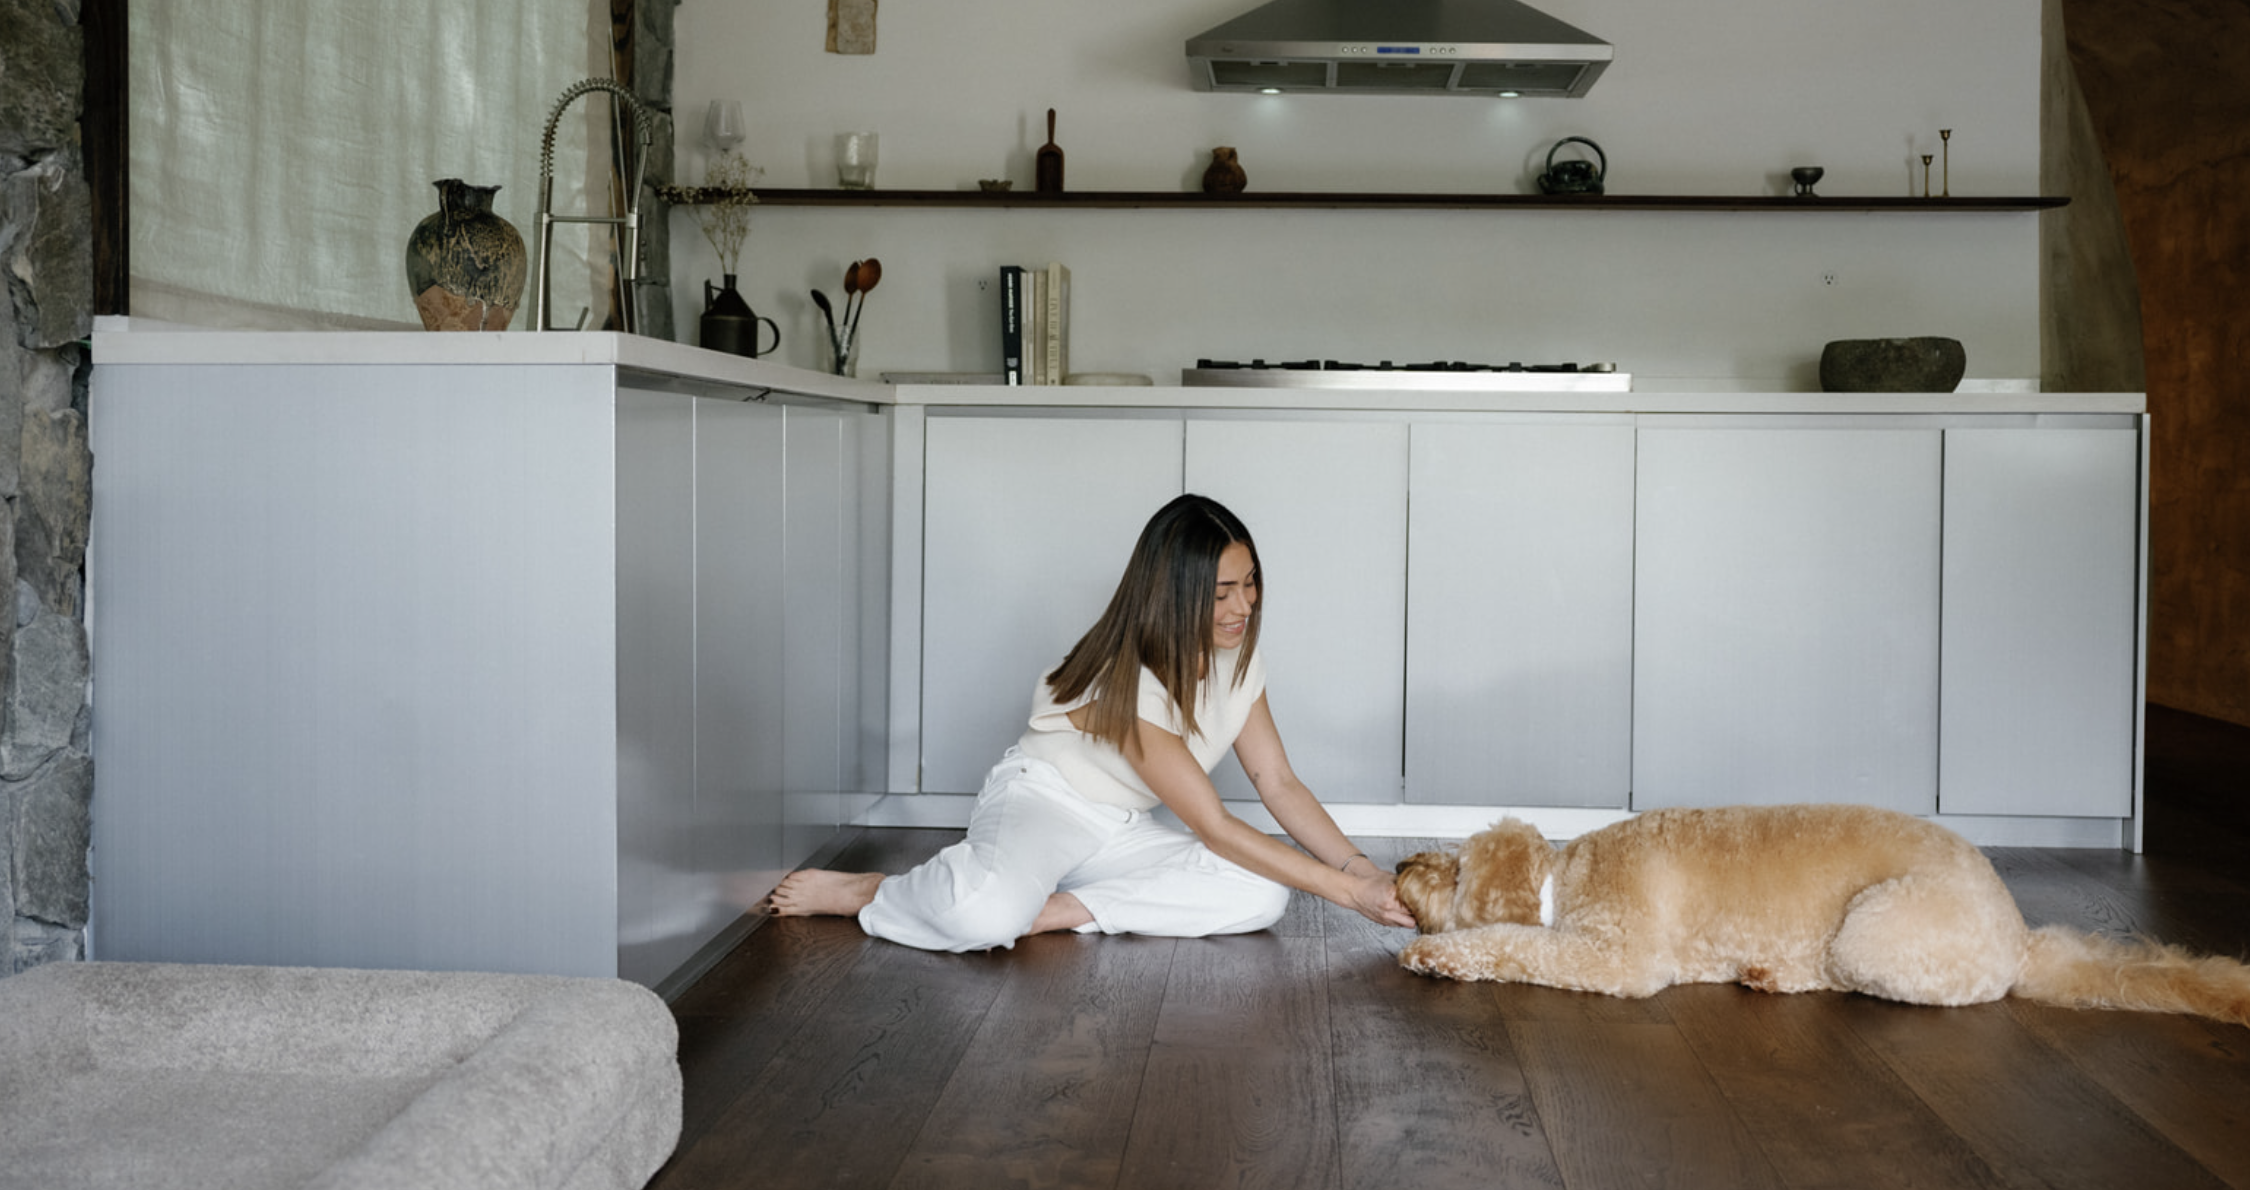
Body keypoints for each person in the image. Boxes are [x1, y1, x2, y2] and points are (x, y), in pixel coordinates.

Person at [768, 493, 1415, 951]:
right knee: (981, 917)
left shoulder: (1237, 659)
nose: (1242, 606)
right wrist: (1349, 895)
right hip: (1043, 802)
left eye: (1250, 584)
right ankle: (873, 892)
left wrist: (1358, 868)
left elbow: (1278, 783)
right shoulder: (1125, 677)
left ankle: (1056, 911)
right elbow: (1213, 825)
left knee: (1263, 894)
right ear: (1175, 592)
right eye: (1221, 593)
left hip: (1118, 831)